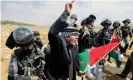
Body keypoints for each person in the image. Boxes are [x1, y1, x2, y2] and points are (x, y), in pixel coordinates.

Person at [46, 1, 81, 80]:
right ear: (66, 35)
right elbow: (52, 32)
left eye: (77, 35)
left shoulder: (74, 47)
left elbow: (74, 61)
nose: (77, 37)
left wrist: (78, 69)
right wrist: (66, 13)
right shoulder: (58, 44)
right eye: (74, 35)